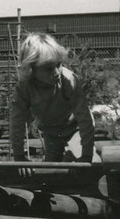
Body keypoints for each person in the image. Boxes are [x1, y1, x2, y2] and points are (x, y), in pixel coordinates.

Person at [9, 33, 95, 177]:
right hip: (50, 133)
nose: (56, 72)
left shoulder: (68, 80)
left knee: (81, 165)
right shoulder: (24, 87)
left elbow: (85, 119)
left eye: (58, 65)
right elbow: (16, 122)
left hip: (75, 130)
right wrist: (19, 157)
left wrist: (87, 155)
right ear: (31, 69)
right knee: (51, 173)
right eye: (49, 68)